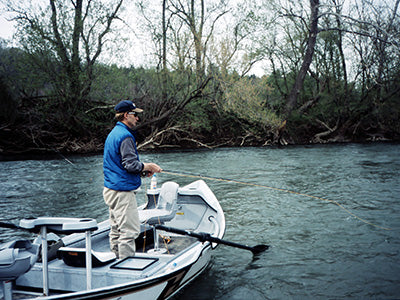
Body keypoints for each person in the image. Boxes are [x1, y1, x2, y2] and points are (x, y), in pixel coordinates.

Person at [103, 100, 162, 259]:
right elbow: (130, 165)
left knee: (116, 230)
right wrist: (148, 166)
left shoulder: (113, 133)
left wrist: (142, 172)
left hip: (111, 190)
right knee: (129, 232)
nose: (137, 118)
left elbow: (119, 165)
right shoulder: (125, 136)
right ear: (125, 115)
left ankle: (116, 260)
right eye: (135, 115)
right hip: (122, 192)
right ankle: (125, 265)